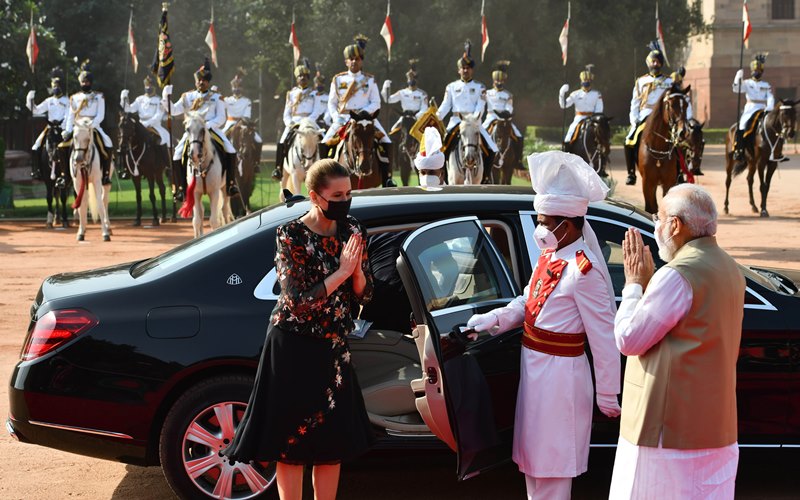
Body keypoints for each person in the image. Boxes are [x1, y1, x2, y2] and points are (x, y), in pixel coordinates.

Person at [466, 151, 621, 500]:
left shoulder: (586, 270)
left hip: (562, 379)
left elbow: (603, 335)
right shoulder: (551, 255)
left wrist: (608, 392)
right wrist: (493, 320)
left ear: (569, 224)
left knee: (553, 467)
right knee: (534, 465)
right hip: (536, 373)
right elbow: (528, 301)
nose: (540, 229)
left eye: (547, 221)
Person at [224, 159, 374, 499]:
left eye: (349, 193)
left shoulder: (353, 230)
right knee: (290, 442)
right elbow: (296, 301)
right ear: (314, 196)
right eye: (337, 194)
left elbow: (367, 293)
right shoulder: (290, 234)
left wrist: (358, 275)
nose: (345, 200)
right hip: (293, 346)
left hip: (334, 347)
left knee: (331, 442)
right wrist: (341, 272)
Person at [609, 183, 744, 499]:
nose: (657, 225)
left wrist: (633, 286)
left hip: (668, 432)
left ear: (675, 225)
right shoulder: (730, 268)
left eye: (659, 217)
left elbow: (628, 339)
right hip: (716, 427)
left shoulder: (678, 274)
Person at [322, 35, 396, 187]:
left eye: (357, 58)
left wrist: (362, 114)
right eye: (351, 58)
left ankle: (387, 178)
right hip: (343, 119)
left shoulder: (369, 80)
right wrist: (336, 117)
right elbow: (332, 103)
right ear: (346, 61)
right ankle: (321, 178)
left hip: (366, 119)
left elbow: (376, 102)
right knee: (324, 142)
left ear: (362, 60)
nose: (354, 61)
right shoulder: (338, 80)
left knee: (386, 141)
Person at [162, 58, 239, 200]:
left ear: (208, 82)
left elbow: (221, 117)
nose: (201, 82)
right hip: (193, 132)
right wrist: (165, 96)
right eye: (199, 80)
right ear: (196, 81)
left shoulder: (216, 97)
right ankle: (180, 189)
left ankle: (230, 184)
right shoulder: (187, 97)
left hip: (211, 128)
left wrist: (208, 125)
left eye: (203, 80)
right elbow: (173, 110)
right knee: (177, 154)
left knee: (231, 149)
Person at [438, 41, 499, 170]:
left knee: (491, 148)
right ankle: (444, 176)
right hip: (456, 121)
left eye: (468, 68)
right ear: (459, 70)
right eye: (463, 68)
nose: (465, 70)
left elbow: (481, 105)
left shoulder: (480, 87)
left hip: (474, 122)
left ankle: (487, 176)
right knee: (442, 147)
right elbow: (446, 105)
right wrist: (437, 116)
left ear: (472, 70)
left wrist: (474, 118)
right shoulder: (451, 87)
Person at [624, 42, 673, 186]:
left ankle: (680, 172)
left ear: (661, 63)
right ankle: (631, 173)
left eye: (658, 61)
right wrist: (634, 120)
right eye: (653, 61)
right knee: (629, 140)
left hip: (663, 115)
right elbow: (635, 102)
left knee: (678, 140)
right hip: (645, 114)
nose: (655, 64)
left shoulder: (668, 80)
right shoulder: (641, 81)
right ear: (648, 63)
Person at [62, 60, 114, 185]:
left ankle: (106, 175)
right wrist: (67, 130)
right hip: (78, 126)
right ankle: (64, 176)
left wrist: (91, 125)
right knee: (61, 147)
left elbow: (100, 115)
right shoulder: (74, 97)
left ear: (91, 82)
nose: (85, 83)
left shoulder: (99, 96)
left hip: (93, 125)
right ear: (80, 82)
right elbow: (71, 116)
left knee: (107, 143)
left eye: (87, 82)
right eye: (83, 82)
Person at [275, 60, 323, 180]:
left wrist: (306, 121)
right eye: (300, 76)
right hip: (294, 122)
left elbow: (317, 111)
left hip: (310, 122)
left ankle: (325, 167)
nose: (302, 78)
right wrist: (289, 123)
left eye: (305, 76)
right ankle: (278, 168)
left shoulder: (314, 93)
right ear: (297, 79)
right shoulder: (291, 94)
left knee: (324, 138)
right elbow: (287, 112)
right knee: (282, 141)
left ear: (308, 78)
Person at [732, 53, 780, 166]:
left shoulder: (766, 84)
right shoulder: (747, 83)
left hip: (763, 109)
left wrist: (769, 107)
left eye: (758, 70)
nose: (756, 72)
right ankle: (739, 151)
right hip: (750, 109)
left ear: (762, 72)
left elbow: (770, 97)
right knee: (742, 126)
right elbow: (736, 89)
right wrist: (738, 77)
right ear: (751, 71)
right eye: (755, 70)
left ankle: (777, 151)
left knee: (775, 126)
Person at [120, 75, 170, 180]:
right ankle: (126, 168)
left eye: (150, 85)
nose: (148, 87)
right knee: (127, 140)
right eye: (146, 85)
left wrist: (147, 124)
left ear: (154, 87)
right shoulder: (140, 99)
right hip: (139, 126)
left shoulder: (159, 100)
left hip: (155, 126)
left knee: (164, 140)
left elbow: (158, 116)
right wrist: (123, 98)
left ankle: (167, 165)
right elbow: (128, 109)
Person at [26, 67, 69, 181]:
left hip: (63, 129)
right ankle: (37, 170)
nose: (56, 88)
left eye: (58, 86)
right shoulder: (49, 101)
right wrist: (30, 99)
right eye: (54, 86)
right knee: (36, 146)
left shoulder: (67, 101)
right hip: (50, 128)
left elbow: (69, 116)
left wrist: (63, 126)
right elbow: (36, 110)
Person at [483, 60, 524, 169]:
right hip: (491, 117)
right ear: (493, 80)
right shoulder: (487, 93)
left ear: (504, 81)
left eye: (501, 80)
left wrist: (506, 113)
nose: (499, 82)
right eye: (497, 80)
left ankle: (518, 160)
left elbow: (509, 107)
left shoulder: (508, 95)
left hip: (504, 118)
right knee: (480, 133)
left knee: (518, 135)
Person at [559, 64, 604, 159]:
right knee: (570, 134)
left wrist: (595, 118)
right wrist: (562, 93)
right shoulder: (575, 94)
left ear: (591, 81)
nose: (586, 82)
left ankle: (602, 161)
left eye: (588, 81)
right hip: (579, 118)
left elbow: (599, 109)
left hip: (593, 118)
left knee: (602, 136)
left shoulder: (597, 94)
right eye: (584, 81)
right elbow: (564, 105)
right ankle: (566, 154)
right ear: (581, 81)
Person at [223, 69, 263, 174]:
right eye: (234, 87)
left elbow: (246, 116)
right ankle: (222, 161)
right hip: (229, 123)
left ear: (242, 88)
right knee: (219, 139)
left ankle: (256, 164)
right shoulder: (227, 100)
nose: (236, 89)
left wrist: (241, 123)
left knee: (258, 140)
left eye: (239, 87)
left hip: (242, 124)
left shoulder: (247, 101)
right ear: (231, 88)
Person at [382, 59, 429, 137]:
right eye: (410, 78)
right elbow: (388, 100)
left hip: (417, 118)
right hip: (404, 117)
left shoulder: (423, 94)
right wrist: (386, 87)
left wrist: (415, 116)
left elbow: (424, 108)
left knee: (425, 135)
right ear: (407, 79)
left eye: (414, 78)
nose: (412, 80)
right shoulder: (402, 92)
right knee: (393, 130)